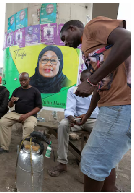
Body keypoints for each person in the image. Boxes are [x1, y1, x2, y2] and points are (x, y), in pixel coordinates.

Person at [60, 16, 131, 192]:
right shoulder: (88, 51)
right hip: (111, 106)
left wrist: (91, 81)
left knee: (92, 161)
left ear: (72, 29)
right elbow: (100, 87)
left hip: (121, 104)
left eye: (64, 38)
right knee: (105, 162)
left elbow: (128, 40)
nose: (66, 44)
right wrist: (87, 113)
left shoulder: (92, 27)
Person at [48, 70, 99, 177]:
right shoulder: (73, 90)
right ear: (80, 81)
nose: (86, 84)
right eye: (84, 81)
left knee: (101, 133)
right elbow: (69, 109)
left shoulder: (98, 91)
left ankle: (90, 165)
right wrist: (71, 118)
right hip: (77, 119)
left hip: (94, 120)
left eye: (89, 81)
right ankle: (62, 162)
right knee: (63, 125)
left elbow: (100, 110)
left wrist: (87, 116)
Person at [0, 72, 42, 154]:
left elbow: (38, 107)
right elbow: (10, 105)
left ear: (29, 79)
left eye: (25, 80)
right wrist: (11, 101)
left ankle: (25, 149)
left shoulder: (35, 91)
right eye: (21, 80)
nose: (23, 82)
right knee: (3, 121)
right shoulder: (17, 90)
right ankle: (4, 147)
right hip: (17, 113)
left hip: (30, 115)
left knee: (29, 127)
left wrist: (27, 115)